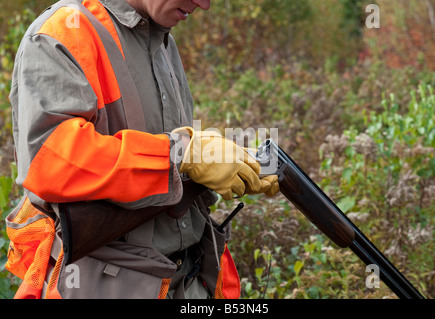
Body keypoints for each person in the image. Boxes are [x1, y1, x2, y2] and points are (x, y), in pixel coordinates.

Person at [6, 0, 279, 299]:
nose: (205, 5)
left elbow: (169, 153)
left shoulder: (162, 38)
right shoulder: (61, 32)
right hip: (104, 285)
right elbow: (52, 162)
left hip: (184, 277)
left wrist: (221, 164)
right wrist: (180, 154)